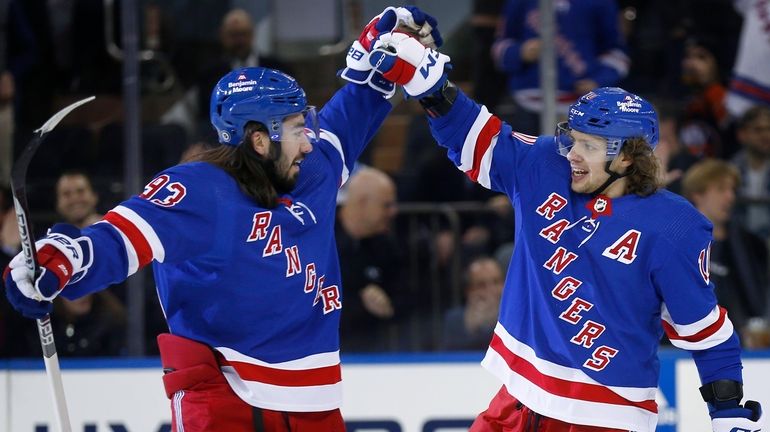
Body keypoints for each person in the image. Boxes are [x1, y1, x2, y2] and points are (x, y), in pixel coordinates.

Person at [2, 6, 442, 431]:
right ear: (259, 140)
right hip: (223, 398)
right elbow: (119, 239)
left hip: (315, 403)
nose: (307, 141)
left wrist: (394, 52)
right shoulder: (199, 190)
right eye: (294, 128)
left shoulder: (314, 169)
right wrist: (63, 258)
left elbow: (358, 101)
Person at [365, 31, 763, 430]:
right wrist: (430, 85)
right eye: (572, 139)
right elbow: (472, 134)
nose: (572, 153)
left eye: (588, 146)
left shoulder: (675, 225)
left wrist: (728, 413)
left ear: (627, 157)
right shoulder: (544, 166)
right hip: (518, 397)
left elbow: (705, 332)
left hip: (602, 414)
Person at [491, 0, 629, 134]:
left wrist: (599, 79)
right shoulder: (520, 2)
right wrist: (519, 52)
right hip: (528, 103)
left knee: (576, 156)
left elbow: (617, 52)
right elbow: (500, 46)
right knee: (527, 155)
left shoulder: (599, 3)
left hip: (581, 104)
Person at [682, 158, 770, 349]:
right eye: (721, 189)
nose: (730, 197)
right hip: (689, 345)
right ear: (698, 194)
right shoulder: (678, 242)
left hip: (746, 345)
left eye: (732, 190)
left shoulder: (751, 244)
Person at [335, 167, 403, 352]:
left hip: (374, 352)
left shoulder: (386, 245)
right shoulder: (320, 236)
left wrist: (388, 306)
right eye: (386, 205)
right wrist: (359, 304)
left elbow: (407, 296)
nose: (393, 212)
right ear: (363, 203)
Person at [442, 256, 503, 351]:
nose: (491, 290)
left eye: (496, 282)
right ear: (469, 291)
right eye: (481, 285)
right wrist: (472, 328)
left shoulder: (515, 318)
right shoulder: (454, 320)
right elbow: (450, 358)